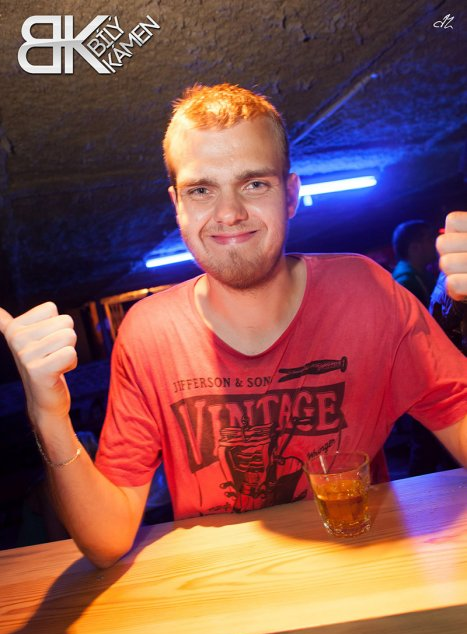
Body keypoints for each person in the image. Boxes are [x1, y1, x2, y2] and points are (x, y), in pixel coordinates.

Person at [1, 83, 467, 569]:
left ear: (291, 194)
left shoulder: (368, 294)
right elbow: (107, 540)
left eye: (254, 184)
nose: (229, 214)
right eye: (201, 190)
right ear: (177, 205)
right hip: (220, 590)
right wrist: (48, 416)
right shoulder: (149, 332)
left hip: (360, 566)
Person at [391, 220, 455, 476]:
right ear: (415, 246)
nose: (435, 243)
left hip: (427, 376)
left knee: (431, 445)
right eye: (429, 238)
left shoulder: (417, 276)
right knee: (427, 445)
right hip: (422, 377)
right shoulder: (406, 281)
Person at [391, 220, 437, 307]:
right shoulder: (405, 284)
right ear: (414, 248)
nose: (436, 242)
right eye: (430, 239)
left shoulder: (421, 274)